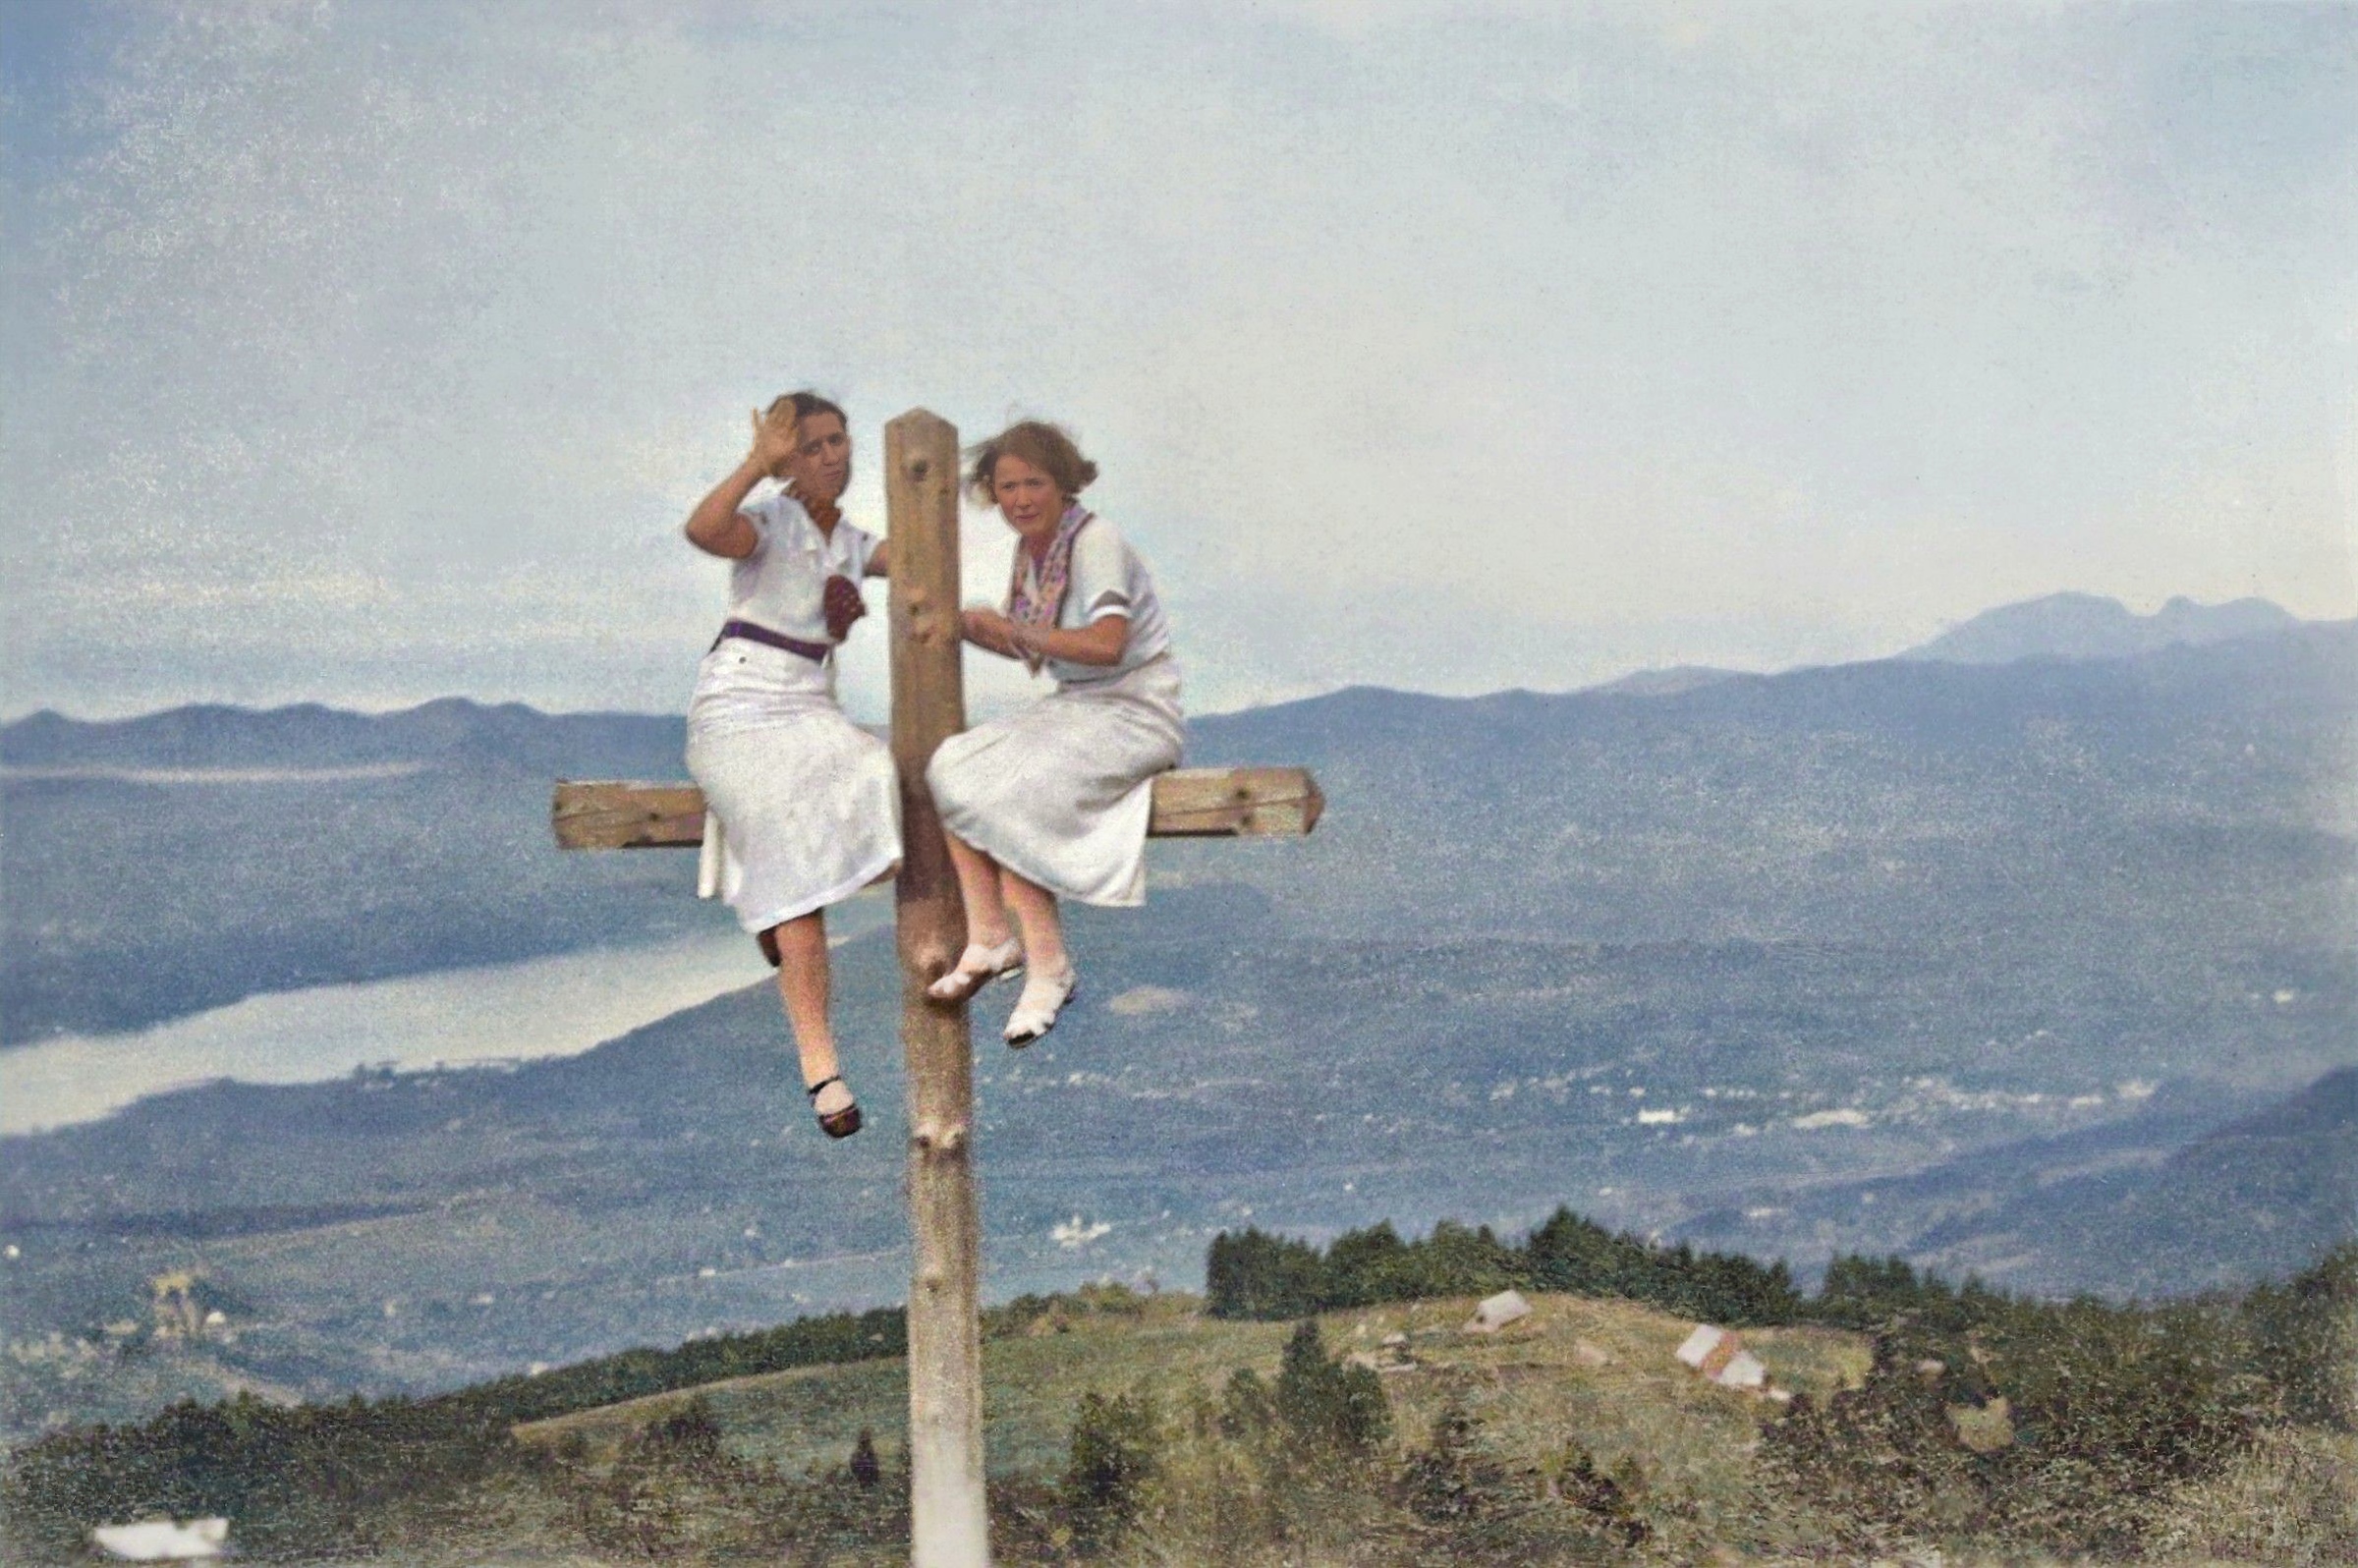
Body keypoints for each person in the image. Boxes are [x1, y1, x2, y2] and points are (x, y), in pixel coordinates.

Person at [925, 420, 1183, 1044]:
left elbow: (1106, 642)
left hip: (1134, 712)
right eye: (1007, 486)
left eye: (1034, 482)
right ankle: (990, 937)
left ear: (1063, 482)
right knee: (950, 765)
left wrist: (1013, 629)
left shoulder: (1094, 541)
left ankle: (1050, 967)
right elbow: (1036, 647)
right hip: (1078, 709)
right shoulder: (1033, 553)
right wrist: (967, 625)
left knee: (1015, 790)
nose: (1020, 499)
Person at [682, 392, 899, 1138]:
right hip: (741, 709)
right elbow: (705, 529)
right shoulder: (769, 522)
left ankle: (775, 912)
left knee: (883, 775)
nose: (833, 456)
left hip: (810, 712)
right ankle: (822, 1069)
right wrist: (756, 466)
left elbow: (919, 557)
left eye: (840, 441)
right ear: (787, 455)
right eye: (813, 447)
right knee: (793, 874)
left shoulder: (850, 541)